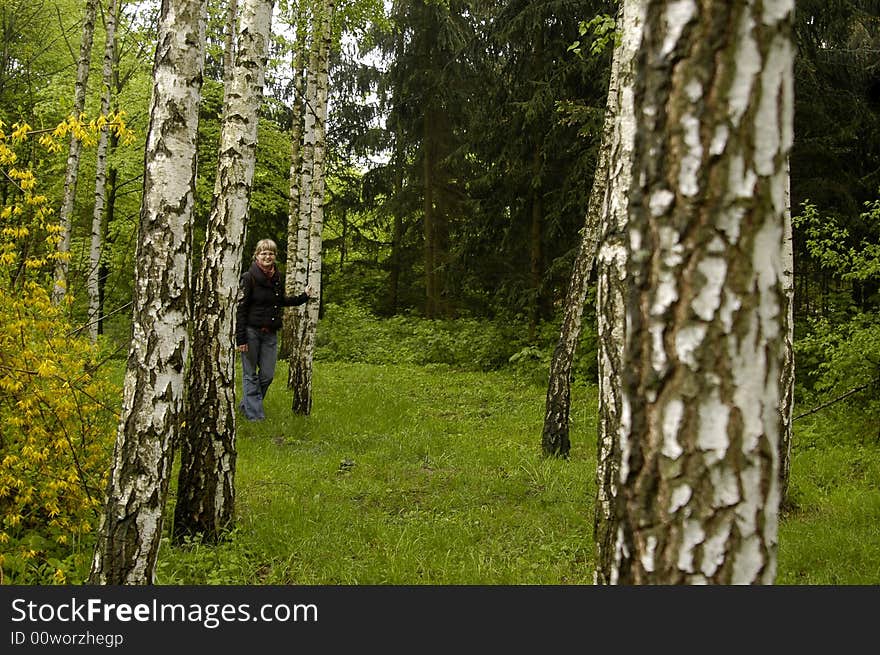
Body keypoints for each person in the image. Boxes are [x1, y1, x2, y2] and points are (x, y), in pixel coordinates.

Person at [235, 238, 310, 421]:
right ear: (257, 256)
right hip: (251, 332)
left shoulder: (277, 277)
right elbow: (241, 309)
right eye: (263, 253)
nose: (267, 256)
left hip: (270, 334)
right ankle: (255, 418)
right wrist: (241, 339)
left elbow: (279, 301)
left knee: (267, 375)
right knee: (250, 374)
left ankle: (247, 405)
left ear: (275, 256)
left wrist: (303, 297)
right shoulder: (248, 277)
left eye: (271, 253)